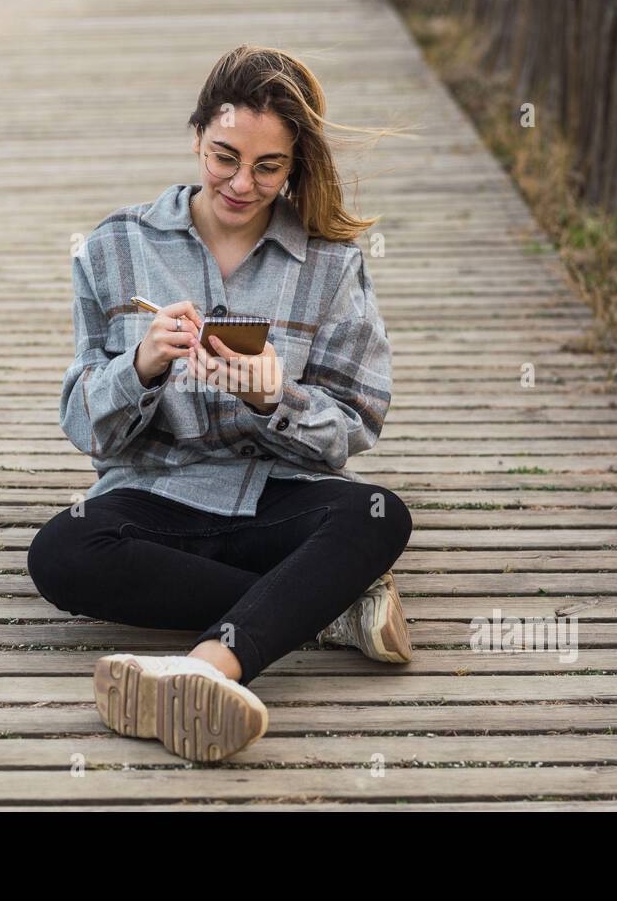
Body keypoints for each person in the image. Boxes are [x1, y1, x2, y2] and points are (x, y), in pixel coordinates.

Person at [27, 45, 414, 764]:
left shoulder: (331, 264)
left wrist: (277, 396)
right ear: (197, 133)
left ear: (295, 164)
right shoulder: (116, 246)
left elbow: (355, 422)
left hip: (279, 497)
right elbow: (84, 424)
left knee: (377, 513)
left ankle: (209, 669)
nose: (242, 182)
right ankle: (330, 609)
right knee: (60, 552)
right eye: (223, 156)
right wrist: (139, 367)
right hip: (153, 496)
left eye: (269, 167)